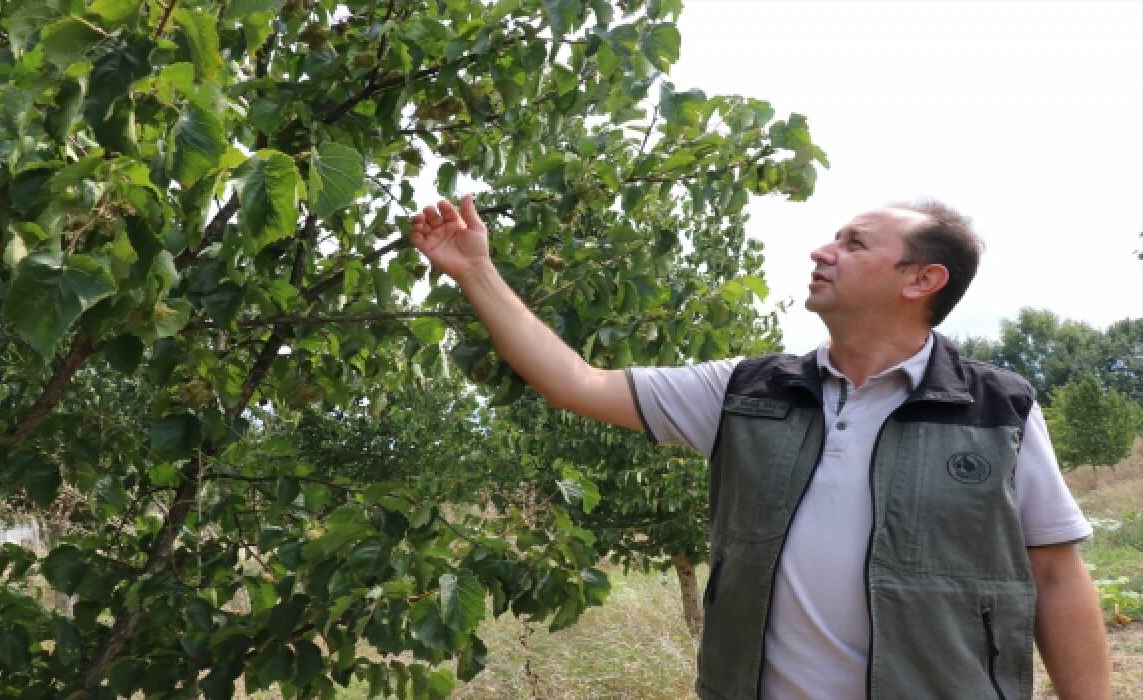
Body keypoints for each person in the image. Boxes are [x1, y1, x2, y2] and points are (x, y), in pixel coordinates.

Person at [409, 195, 1110, 699]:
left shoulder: (998, 406)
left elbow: (1054, 574)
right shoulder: (746, 391)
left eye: (855, 243)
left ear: (921, 280)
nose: (822, 250)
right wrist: (476, 272)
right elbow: (574, 382)